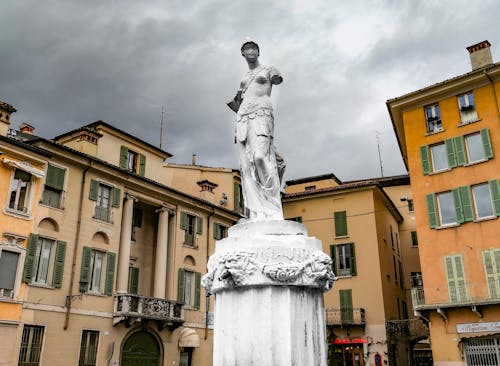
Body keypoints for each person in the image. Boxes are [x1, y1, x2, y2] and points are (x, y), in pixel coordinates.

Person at [231, 40, 285, 221]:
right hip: (242, 118)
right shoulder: (244, 78)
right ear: (243, 54)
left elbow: (275, 82)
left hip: (262, 114)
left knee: (260, 157)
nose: (251, 51)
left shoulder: (269, 70)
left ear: (258, 52)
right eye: (247, 49)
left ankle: (272, 204)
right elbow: (240, 98)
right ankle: (256, 211)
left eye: (254, 48)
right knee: (246, 167)